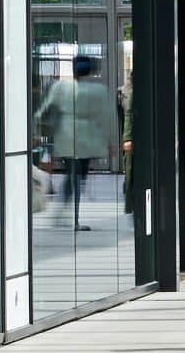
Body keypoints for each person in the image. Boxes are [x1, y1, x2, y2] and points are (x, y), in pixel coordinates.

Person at [35, 55, 121, 230]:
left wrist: (37, 131)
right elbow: (109, 118)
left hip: (65, 136)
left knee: (71, 176)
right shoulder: (99, 90)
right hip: (87, 138)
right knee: (77, 177)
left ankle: (63, 213)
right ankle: (72, 217)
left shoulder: (60, 87)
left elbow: (44, 110)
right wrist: (112, 142)